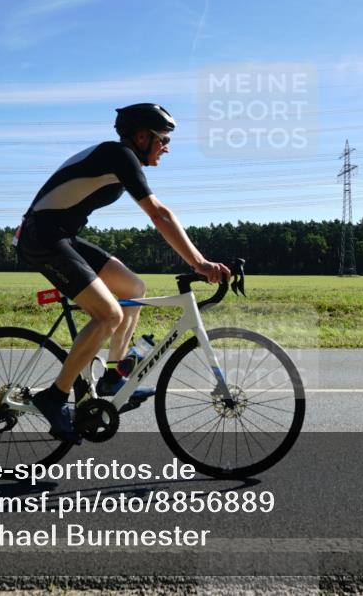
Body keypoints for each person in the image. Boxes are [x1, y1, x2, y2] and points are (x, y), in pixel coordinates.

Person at [16, 103, 230, 442]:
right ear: (142, 136)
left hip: (60, 235)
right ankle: (54, 397)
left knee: (133, 288)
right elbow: (158, 214)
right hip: (42, 237)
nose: (167, 147)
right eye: (163, 139)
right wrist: (199, 263)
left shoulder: (119, 158)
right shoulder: (121, 156)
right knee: (108, 316)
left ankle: (113, 377)